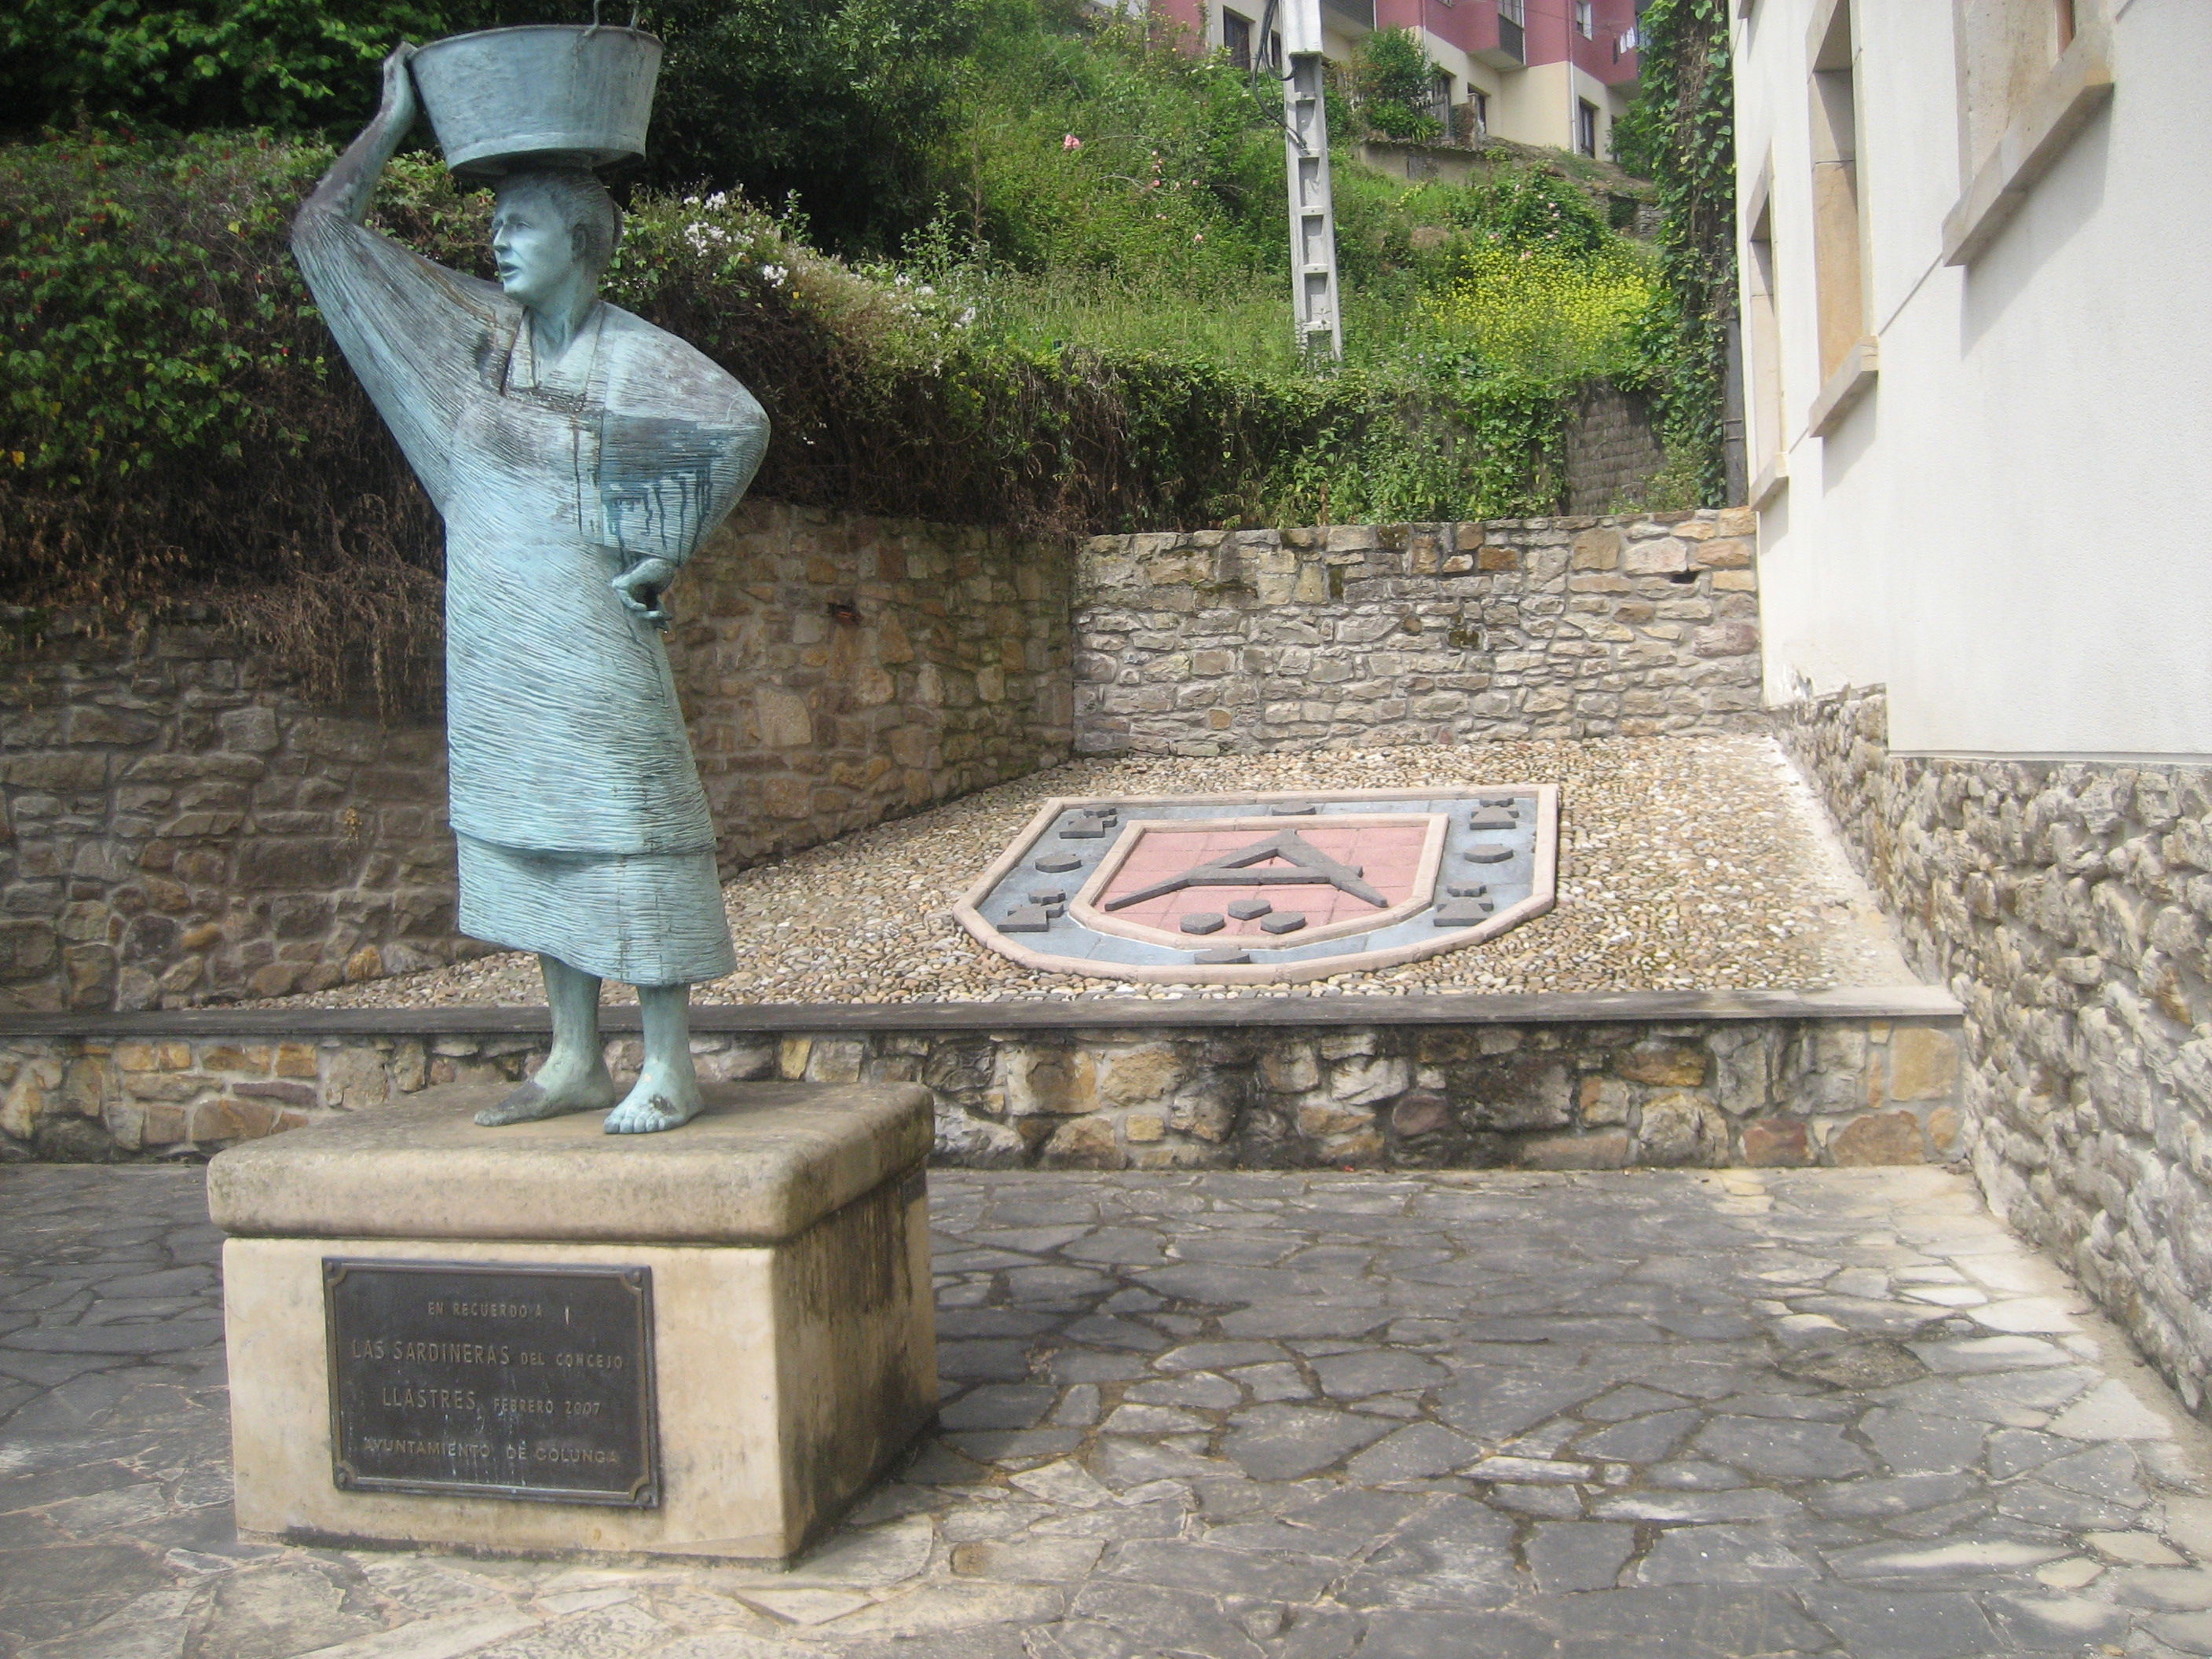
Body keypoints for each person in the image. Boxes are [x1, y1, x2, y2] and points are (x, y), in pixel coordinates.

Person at [294, 45, 767, 1133]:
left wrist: (667, 547)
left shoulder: (637, 355)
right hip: (499, 633)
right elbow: (323, 238)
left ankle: (667, 1065)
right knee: (535, 829)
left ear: (585, 244)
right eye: (494, 223)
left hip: (591, 631)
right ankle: (571, 1057)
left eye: (522, 226)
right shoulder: (474, 338)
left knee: (629, 826)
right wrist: (391, 122)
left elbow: (737, 429)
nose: (498, 239)